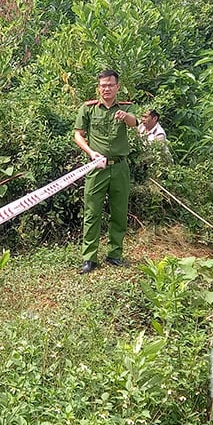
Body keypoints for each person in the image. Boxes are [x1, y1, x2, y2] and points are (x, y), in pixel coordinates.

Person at [73, 69, 138, 274]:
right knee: (92, 213)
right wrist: (91, 152)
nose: (106, 89)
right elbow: (78, 135)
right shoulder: (89, 109)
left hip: (120, 167)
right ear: (98, 87)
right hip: (96, 168)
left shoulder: (126, 107)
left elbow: (135, 123)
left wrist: (126, 116)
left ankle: (114, 255)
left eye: (110, 85)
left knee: (118, 212)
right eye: (103, 85)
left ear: (117, 87)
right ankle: (89, 258)